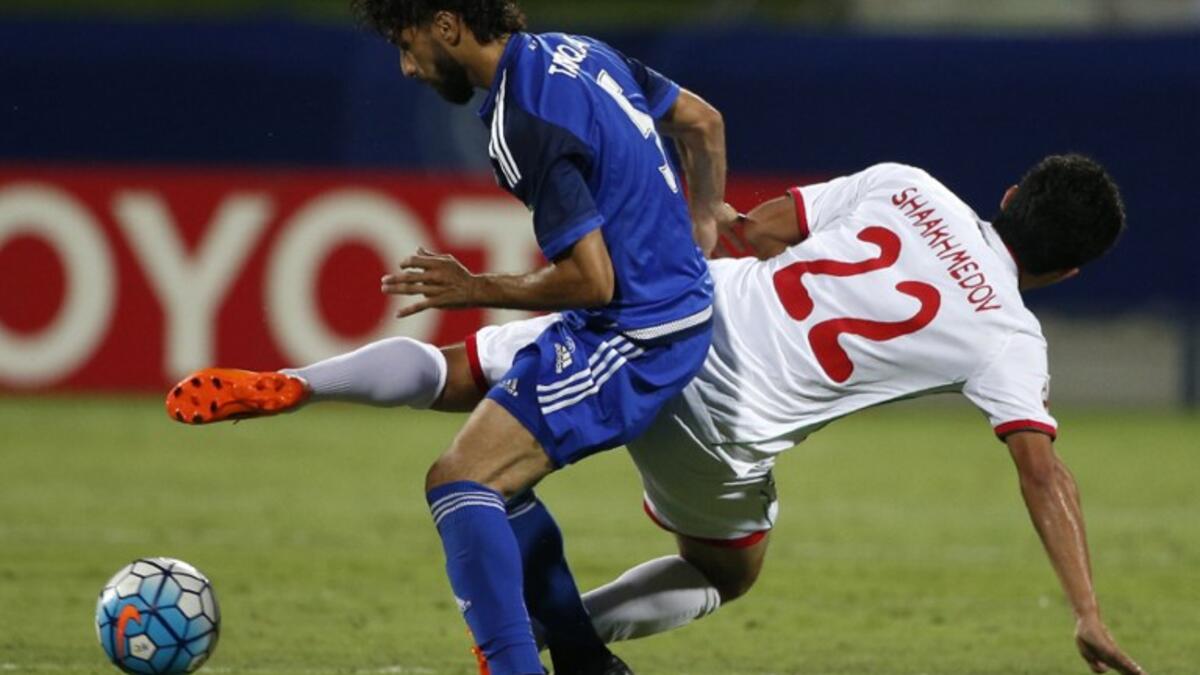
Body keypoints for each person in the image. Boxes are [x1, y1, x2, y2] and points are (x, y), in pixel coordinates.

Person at [168, 156, 1145, 674]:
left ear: (1011, 192)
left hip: (670, 308)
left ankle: (299, 383)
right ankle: (560, 642)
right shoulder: (1009, 332)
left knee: (464, 367)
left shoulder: (908, 185)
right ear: (1063, 271)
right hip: (722, 421)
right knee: (731, 565)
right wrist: (1089, 612)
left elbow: (749, 229)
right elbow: (1040, 468)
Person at [173, 1, 735, 673]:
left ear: (446, 26)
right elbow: (704, 121)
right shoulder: (581, 52)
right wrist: (701, 222)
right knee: (497, 478)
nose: (408, 66)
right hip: (650, 311)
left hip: (638, 332)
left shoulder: (520, 117)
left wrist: (475, 287)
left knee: (459, 480)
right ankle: (586, 661)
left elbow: (591, 280)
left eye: (408, 45)